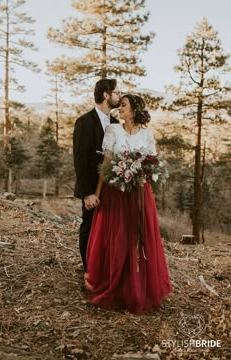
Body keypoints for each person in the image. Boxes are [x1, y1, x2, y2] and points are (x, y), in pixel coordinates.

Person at [85, 94, 172, 314]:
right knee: (118, 238)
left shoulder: (147, 134)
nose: (119, 108)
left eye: (123, 105)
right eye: (119, 105)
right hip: (116, 194)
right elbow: (105, 165)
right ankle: (116, 286)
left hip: (140, 194)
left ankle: (139, 289)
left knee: (138, 238)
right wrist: (96, 194)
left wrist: (141, 174)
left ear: (134, 109)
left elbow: (152, 164)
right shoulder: (113, 130)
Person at [73, 78, 120, 271]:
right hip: (92, 188)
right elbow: (80, 159)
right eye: (117, 92)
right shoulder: (84, 122)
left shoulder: (116, 124)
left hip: (113, 189)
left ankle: (103, 268)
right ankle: (88, 271)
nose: (119, 95)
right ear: (106, 95)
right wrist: (87, 193)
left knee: (108, 230)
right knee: (89, 228)